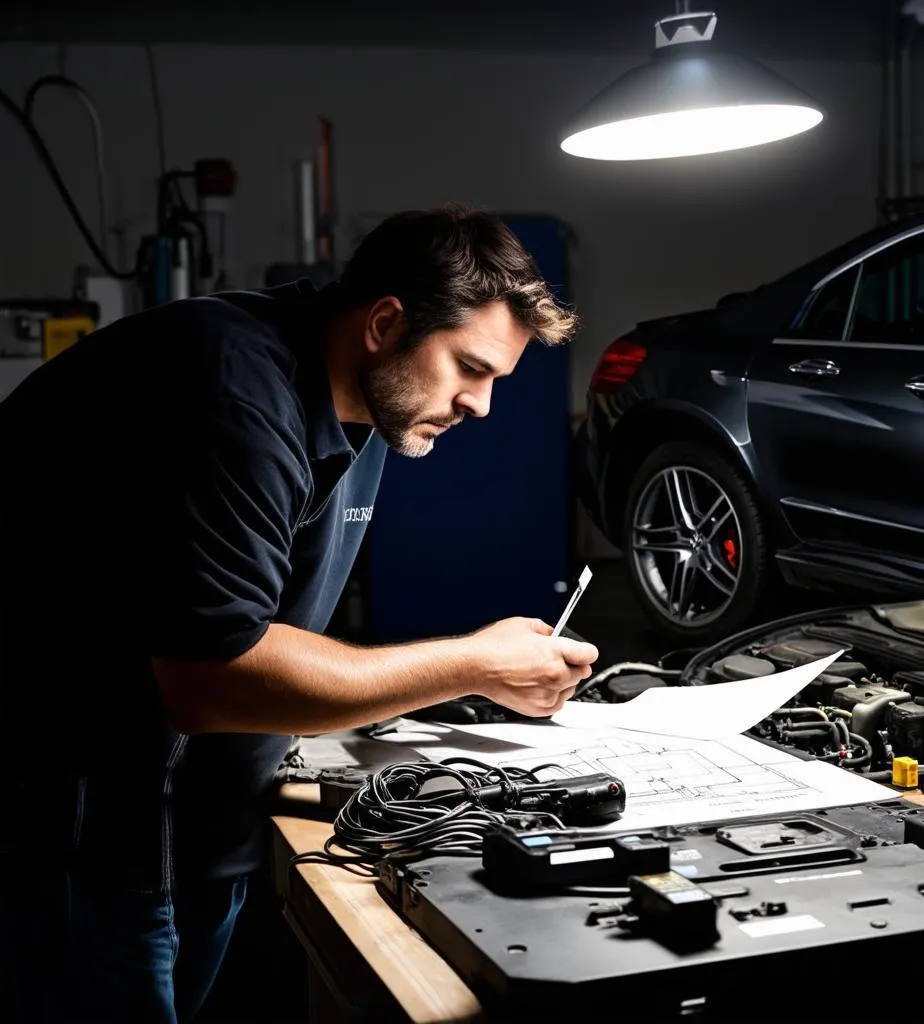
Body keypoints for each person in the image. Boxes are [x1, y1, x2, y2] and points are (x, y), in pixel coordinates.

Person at [0, 205, 599, 1023]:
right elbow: (214, 676)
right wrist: (478, 663)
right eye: (470, 367)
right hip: (82, 841)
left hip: (203, 834)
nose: (482, 405)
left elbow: (267, 631)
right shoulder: (232, 388)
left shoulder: (368, 407)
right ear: (386, 323)